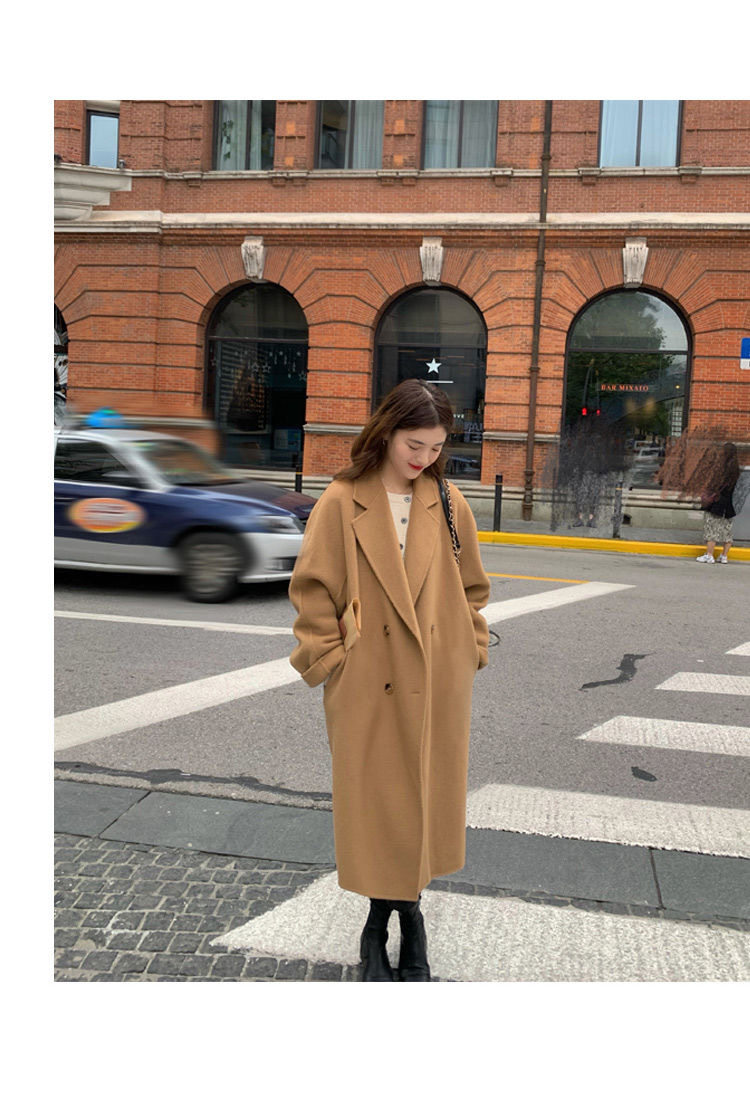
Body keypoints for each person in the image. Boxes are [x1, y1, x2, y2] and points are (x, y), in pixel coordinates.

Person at [288, 379, 490, 982]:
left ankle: (407, 919)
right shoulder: (342, 499)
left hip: (436, 677)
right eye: (414, 444)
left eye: (436, 447)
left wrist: (471, 647)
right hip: (368, 678)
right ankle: (383, 920)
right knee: (378, 806)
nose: (424, 458)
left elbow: (473, 587)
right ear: (385, 432)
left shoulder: (448, 500)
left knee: (422, 801)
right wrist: (331, 659)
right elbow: (312, 589)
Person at [696, 442, 741, 564]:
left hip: (717, 503)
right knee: (727, 531)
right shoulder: (736, 469)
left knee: (712, 529)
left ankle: (709, 555)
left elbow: (715, 484)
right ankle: (724, 556)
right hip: (729, 504)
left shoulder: (721, 468)